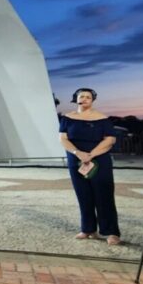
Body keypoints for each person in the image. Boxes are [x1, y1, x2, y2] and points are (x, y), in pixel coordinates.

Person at [58, 88, 121, 245]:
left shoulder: (102, 118)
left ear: (93, 100)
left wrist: (90, 155)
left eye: (88, 97)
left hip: (99, 159)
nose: (85, 98)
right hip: (76, 160)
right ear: (76, 99)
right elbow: (63, 139)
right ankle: (88, 229)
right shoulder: (67, 118)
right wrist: (77, 153)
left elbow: (110, 140)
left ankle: (111, 232)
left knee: (104, 195)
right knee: (83, 195)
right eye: (82, 96)